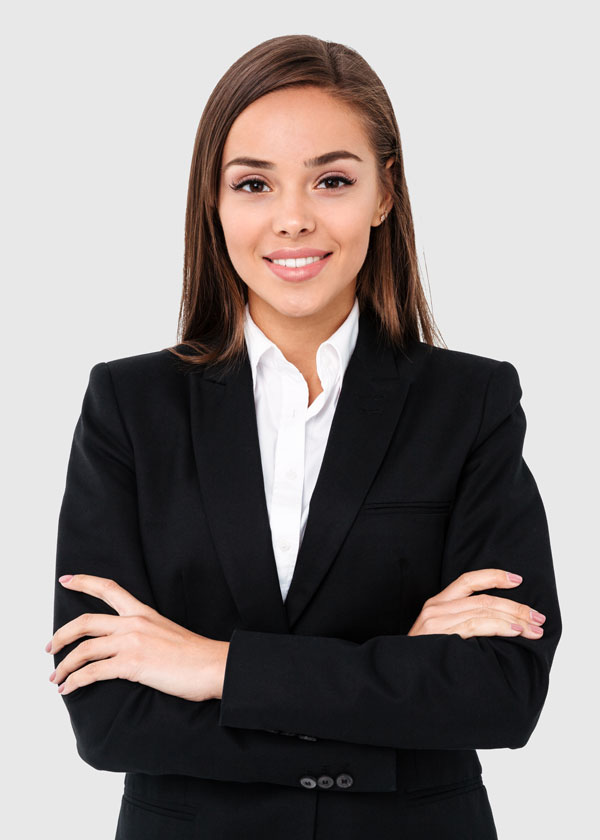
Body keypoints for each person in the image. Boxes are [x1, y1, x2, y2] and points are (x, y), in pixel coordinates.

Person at [47, 34, 562, 840]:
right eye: (254, 183)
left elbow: (500, 693)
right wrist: (396, 675)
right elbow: (110, 719)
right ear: (214, 201)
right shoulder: (130, 406)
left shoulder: (471, 402)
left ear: (384, 193)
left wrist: (213, 666)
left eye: (332, 180)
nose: (293, 219)